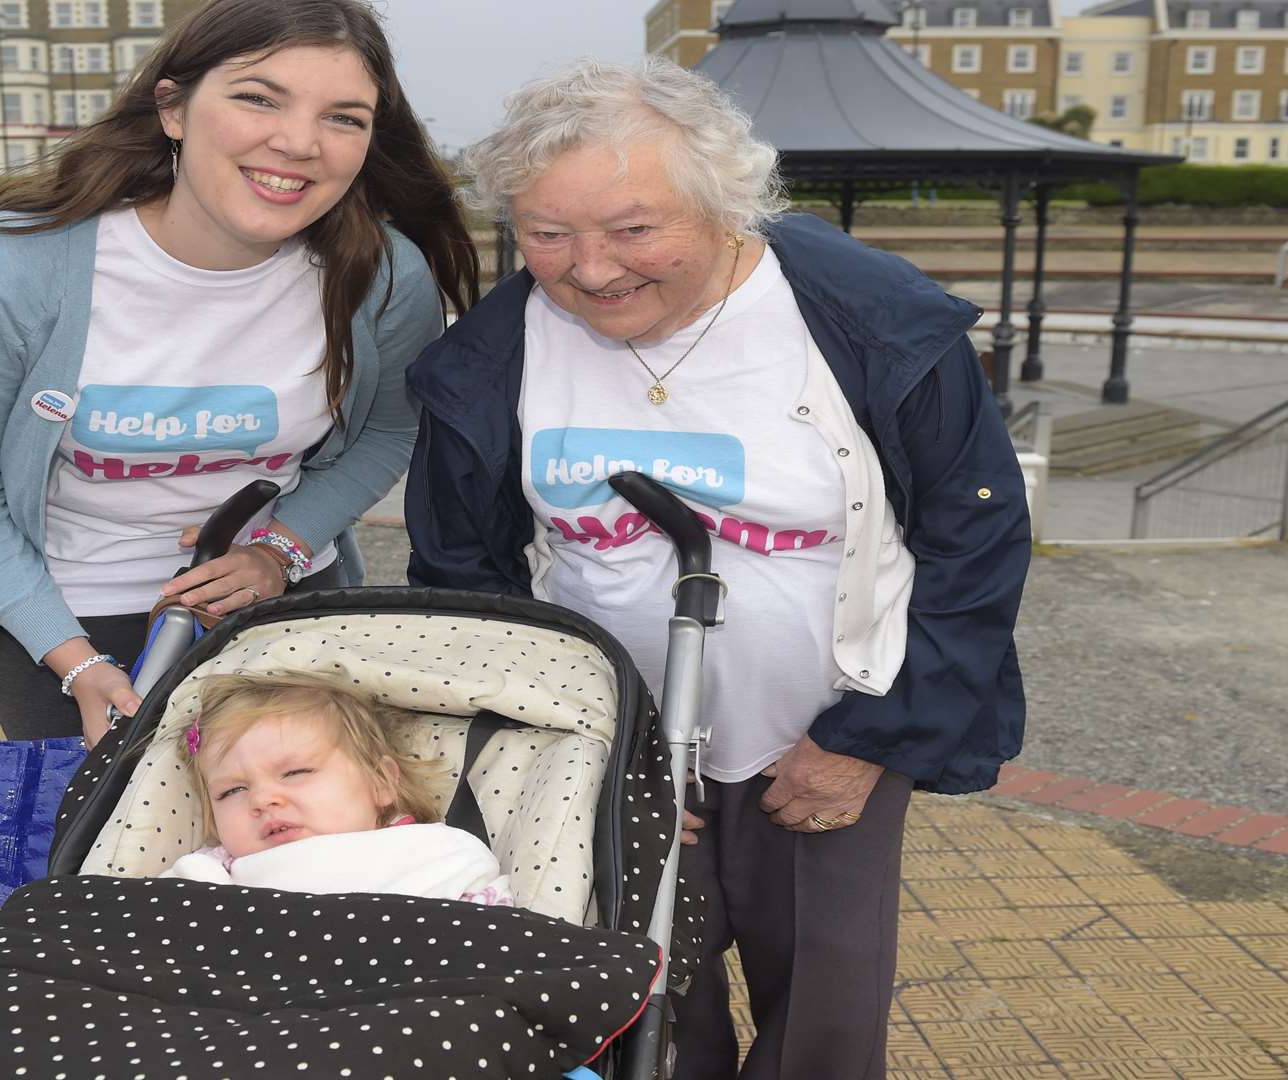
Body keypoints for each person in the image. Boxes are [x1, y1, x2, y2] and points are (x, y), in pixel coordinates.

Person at [404, 58, 1029, 1079]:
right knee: (639, 1016)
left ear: (725, 202)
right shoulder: (497, 349)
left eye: (633, 229)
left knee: (822, 1023)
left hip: (827, 745)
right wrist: (570, 752)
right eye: (548, 234)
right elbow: (461, 568)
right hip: (617, 756)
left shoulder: (871, 320)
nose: (590, 270)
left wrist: (873, 739)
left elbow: (979, 542)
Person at [0, 0, 477, 747]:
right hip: (60, 616)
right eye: (257, 98)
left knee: (289, 843)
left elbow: (387, 432)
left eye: (345, 118)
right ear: (172, 107)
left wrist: (280, 551)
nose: (299, 142)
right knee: (94, 854)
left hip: (278, 597)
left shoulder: (382, 274)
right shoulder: (8, 269)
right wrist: (75, 663)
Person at [157, 671, 514, 907]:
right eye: (231, 791)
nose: (262, 799)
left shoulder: (436, 853)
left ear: (380, 781)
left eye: (295, 772)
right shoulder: (213, 874)